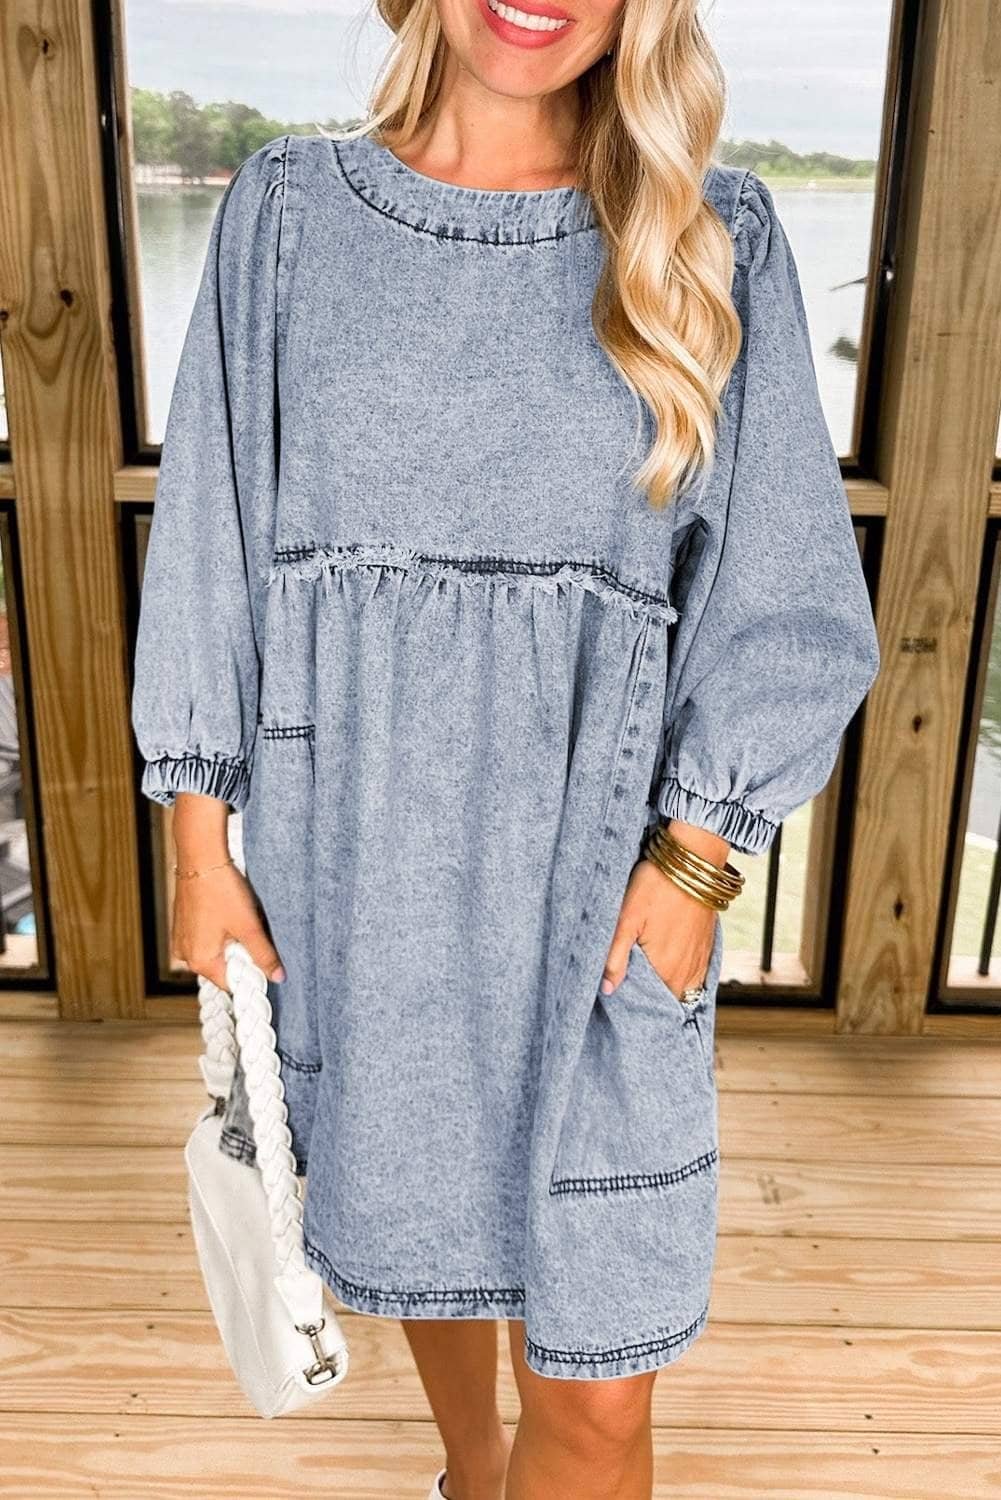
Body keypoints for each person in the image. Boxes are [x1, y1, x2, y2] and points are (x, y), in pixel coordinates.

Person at [131, 0, 881, 1495]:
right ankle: (470, 1474)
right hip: (362, 877)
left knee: (600, 1401)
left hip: (606, 895)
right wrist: (197, 846)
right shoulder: (286, 216)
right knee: (430, 1250)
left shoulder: (713, 237)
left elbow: (784, 596)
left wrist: (697, 860)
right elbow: (212, 537)